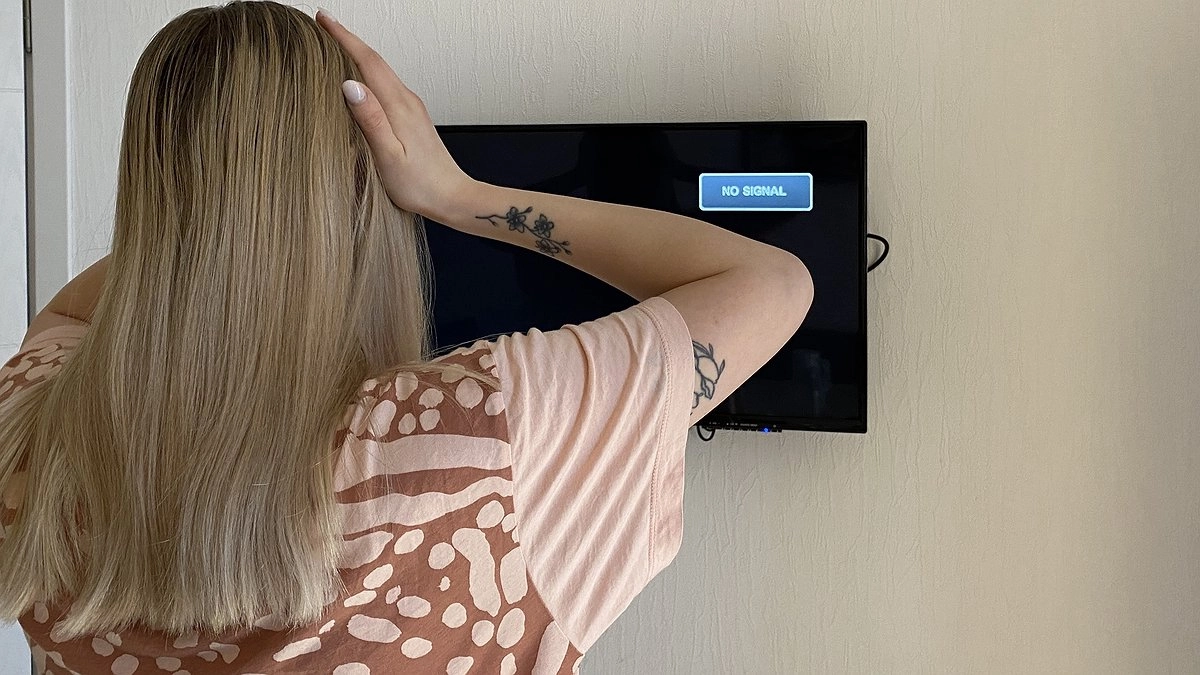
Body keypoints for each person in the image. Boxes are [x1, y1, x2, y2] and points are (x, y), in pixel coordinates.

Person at [0, 2, 813, 672]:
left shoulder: (30, 430)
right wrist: (456, 193)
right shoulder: (480, 438)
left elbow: (72, 318)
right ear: (362, 186)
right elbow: (771, 282)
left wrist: (213, 207)